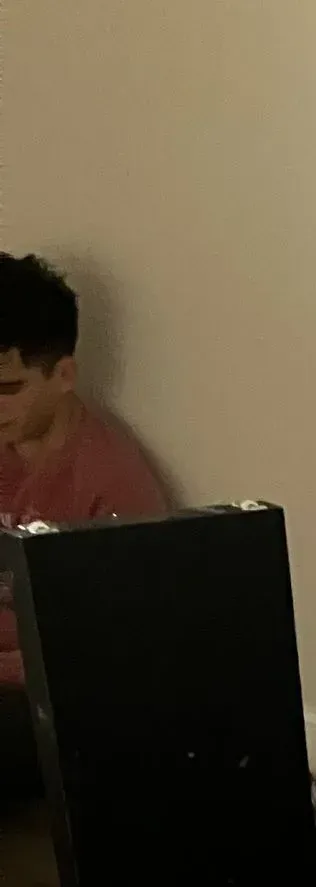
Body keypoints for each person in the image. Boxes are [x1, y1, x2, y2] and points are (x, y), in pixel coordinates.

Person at [0, 253, 169, 800]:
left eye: (8, 389)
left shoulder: (110, 481)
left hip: (42, 699)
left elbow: (107, 647)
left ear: (63, 375)